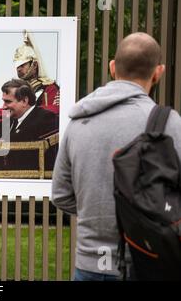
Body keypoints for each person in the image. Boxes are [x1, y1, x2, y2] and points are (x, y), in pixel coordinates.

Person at [51, 32, 181, 281]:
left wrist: (96, 209)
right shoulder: (169, 124)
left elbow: (60, 195)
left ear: (112, 67)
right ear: (158, 72)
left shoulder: (77, 121)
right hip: (147, 262)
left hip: (88, 265)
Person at [1, 79, 58, 171]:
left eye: (8, 102)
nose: (3, 106)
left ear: (24, 101)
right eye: (3, 101)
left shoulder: (46, 119)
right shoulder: (9, 122)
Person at [13, 31, 60, 115]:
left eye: (22, 64)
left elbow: (53, 113)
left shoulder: (49, 88)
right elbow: (6, 114)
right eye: (17, 65)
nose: (19, 69)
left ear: (34, 65)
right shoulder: (14, 89)